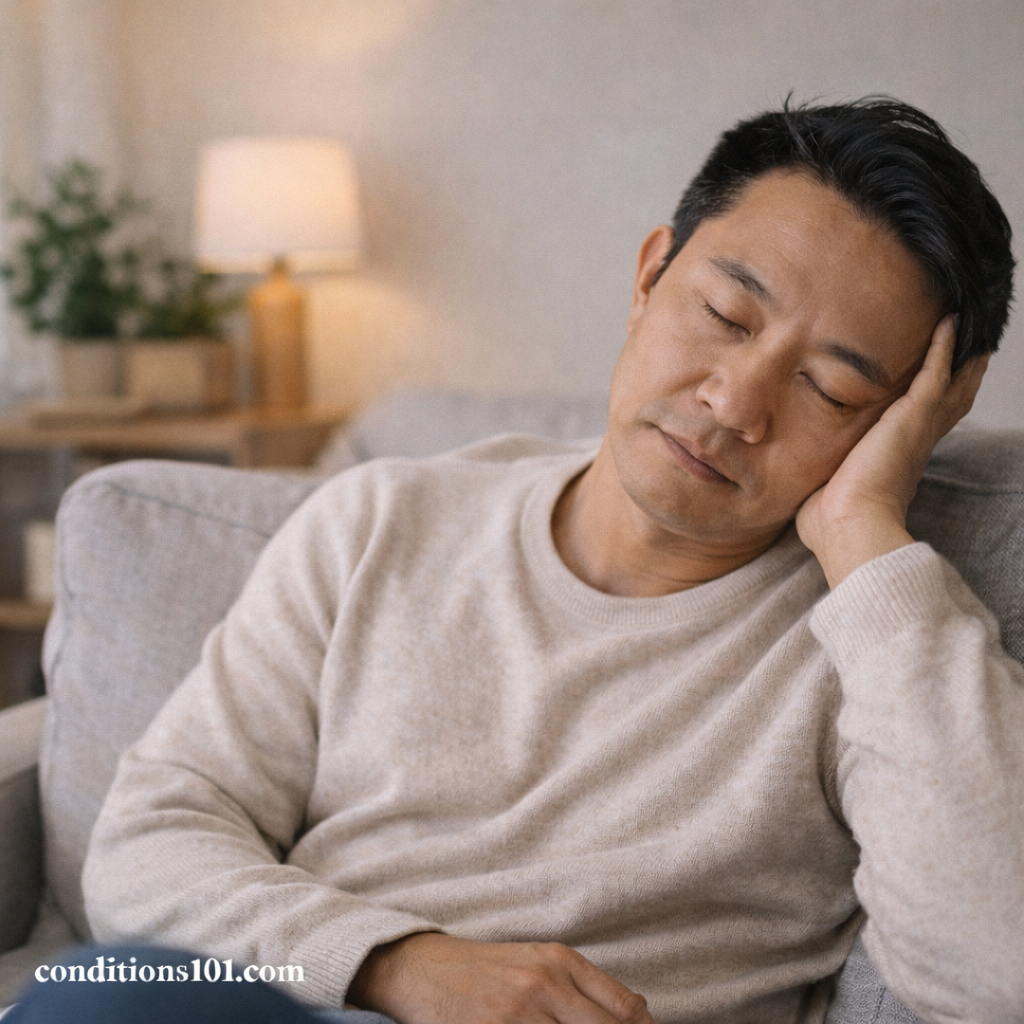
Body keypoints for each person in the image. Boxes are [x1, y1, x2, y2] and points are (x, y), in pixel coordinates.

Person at [55, 98, 1023, 1024]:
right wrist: (394, 962)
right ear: (649, 274)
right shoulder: (376, 522)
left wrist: (866, 541)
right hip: (304, 1006)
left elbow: (995, 976)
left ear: (916, 416)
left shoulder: (888, 648)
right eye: (726, 315)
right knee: (106, 994)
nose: (734, 402)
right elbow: (148, 847)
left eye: (829, 388)